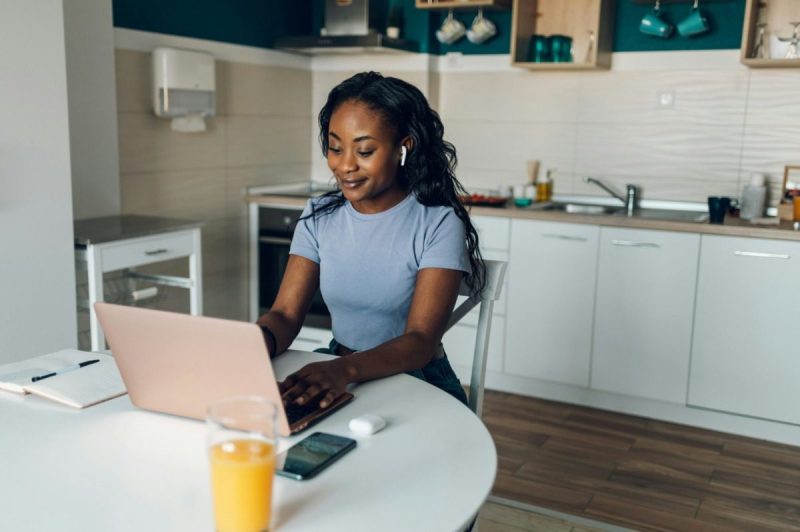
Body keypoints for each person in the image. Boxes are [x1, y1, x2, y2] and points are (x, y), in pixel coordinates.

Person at [256, 71, 484, 410]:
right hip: (338, 367)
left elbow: (420, 341)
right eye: (335, 148)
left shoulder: (438, 222)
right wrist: (253, 343)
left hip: (413, 377)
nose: (345, 165)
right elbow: (286, 315)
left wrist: (345, 369)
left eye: (364, 151)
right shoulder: (319, 216)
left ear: (403, 148)